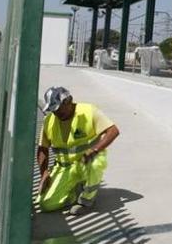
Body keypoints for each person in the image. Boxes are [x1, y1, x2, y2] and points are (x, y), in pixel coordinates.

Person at [37, 86, 120, 215]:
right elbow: (43, 148)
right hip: (64, 167)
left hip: (85, 162)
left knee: (96, 163)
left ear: (68, 101)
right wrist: (44, 173)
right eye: (53, 111)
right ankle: (72, 193)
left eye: (58, 109)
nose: (56, 113)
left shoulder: (88, 111)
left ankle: (87, 201)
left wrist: (95, 150)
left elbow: (113, 131)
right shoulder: (49, 121)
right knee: (46, 204)